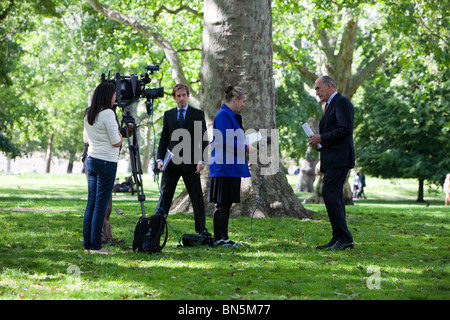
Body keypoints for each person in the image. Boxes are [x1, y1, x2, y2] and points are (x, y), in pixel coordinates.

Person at [155, 84, 210, 236]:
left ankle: (201, 230)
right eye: (178, 96)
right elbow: (164, 138)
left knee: (197, 197)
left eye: (184, 95)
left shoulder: (197, 114)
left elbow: (203, 139)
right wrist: (159, 158)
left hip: (191, 163)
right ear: (174, 98)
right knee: (165, 196)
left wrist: (202, 160)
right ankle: (157, 228)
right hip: (171, 163)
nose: (181, 98)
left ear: (188, 96)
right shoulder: (169, 114)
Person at [309, 76, 355, 251]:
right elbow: (334, 133)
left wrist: (322, 137)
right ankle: (338, 238)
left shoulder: (342, 102)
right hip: (332, 158)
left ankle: (344, 238)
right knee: (332, 196)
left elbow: (345, 129)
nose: (317, 92)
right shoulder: (329, 106)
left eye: (319, 88)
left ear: (329, 87)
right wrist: (319, 144)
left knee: (329, 194)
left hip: (340, 159)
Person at [209, 86, 255, 246]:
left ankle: (224, 237)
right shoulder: (223, 115)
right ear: (235, 99)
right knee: (222, 203)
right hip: (224, 167)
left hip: (232, 167)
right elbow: (226, 141)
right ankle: (218, 238)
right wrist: (246, 147)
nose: (243, 104)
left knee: (227, 203)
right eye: (243, 101)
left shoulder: (231, 116)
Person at [82, 82, 123, 254]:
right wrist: (121, 134)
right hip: (106, 162)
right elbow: (116, 142)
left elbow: (87, 140)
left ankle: (88, 245)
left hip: (91, 160)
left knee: (91, 204)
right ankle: (96, 245)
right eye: (114, 95)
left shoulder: (88, 113)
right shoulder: (107, 113)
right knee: (100, 205)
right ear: (108, 96)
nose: (115, 98)